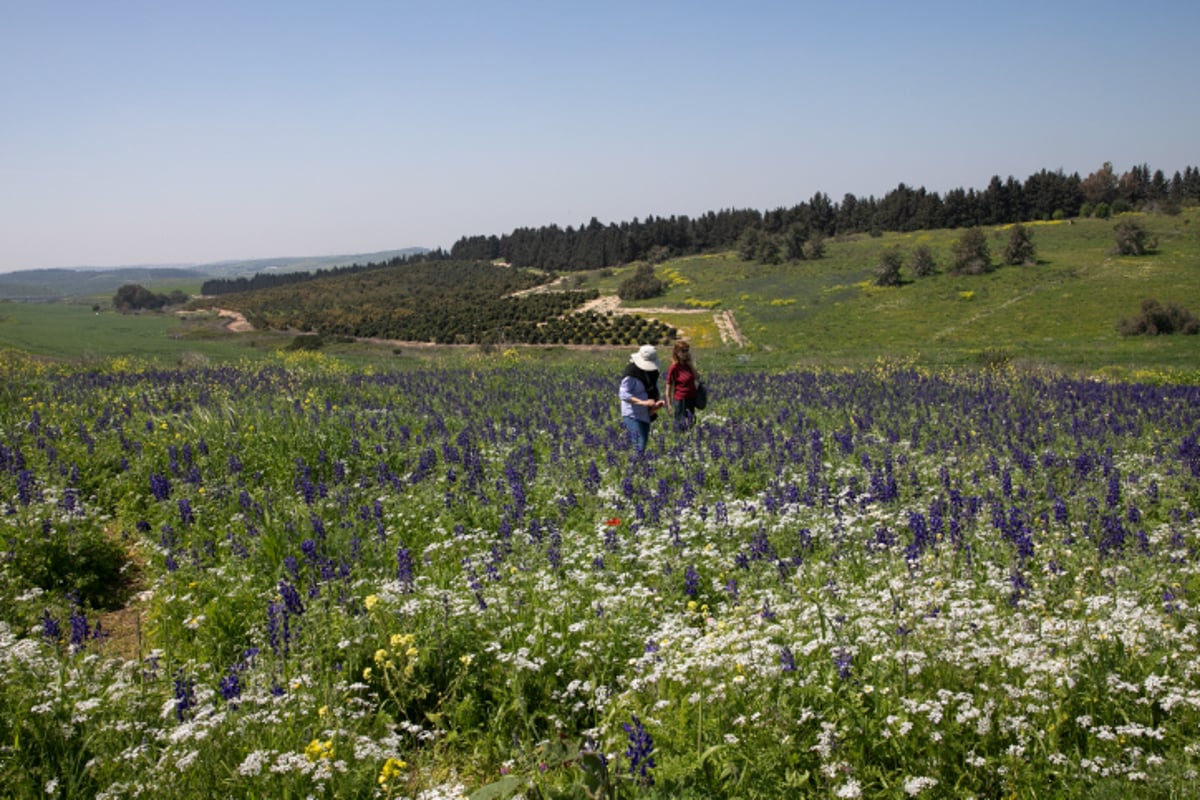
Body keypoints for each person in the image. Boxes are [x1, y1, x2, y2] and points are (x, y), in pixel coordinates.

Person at [619, 344, 665, 454]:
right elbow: (623, 394)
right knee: (639, 444)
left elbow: (654, 389)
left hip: (645, 413)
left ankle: (637, 467)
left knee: (643, 444)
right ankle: (635, 468)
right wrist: (642, 402)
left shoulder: (653, 372)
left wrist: (656, 404)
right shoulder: (631, 373)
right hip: (632, 413)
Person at [665, 339, 699, 431]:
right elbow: (668, 388)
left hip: (691, 399)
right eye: (683, 351)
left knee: (691, 424)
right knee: (681, 426)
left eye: (687, 350)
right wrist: (669, 405)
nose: (686, 353)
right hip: (681, 401)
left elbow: (697, 377)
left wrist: (691, 364)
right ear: (677, 352)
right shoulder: (673, 368)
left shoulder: (688, 365)